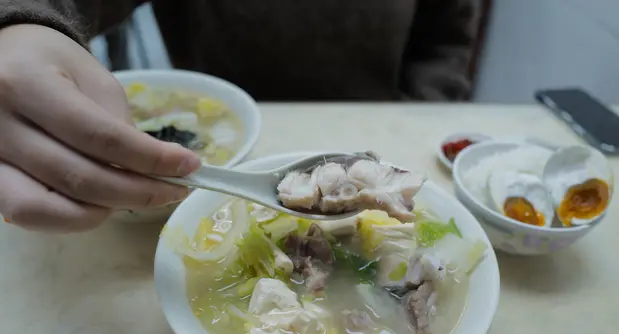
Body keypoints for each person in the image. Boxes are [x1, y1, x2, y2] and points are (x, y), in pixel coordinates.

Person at [0, 0, 485, 232]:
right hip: (219, 166)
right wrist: (18, 23)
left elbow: (444, 40)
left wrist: (422, 115)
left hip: (384, 130)